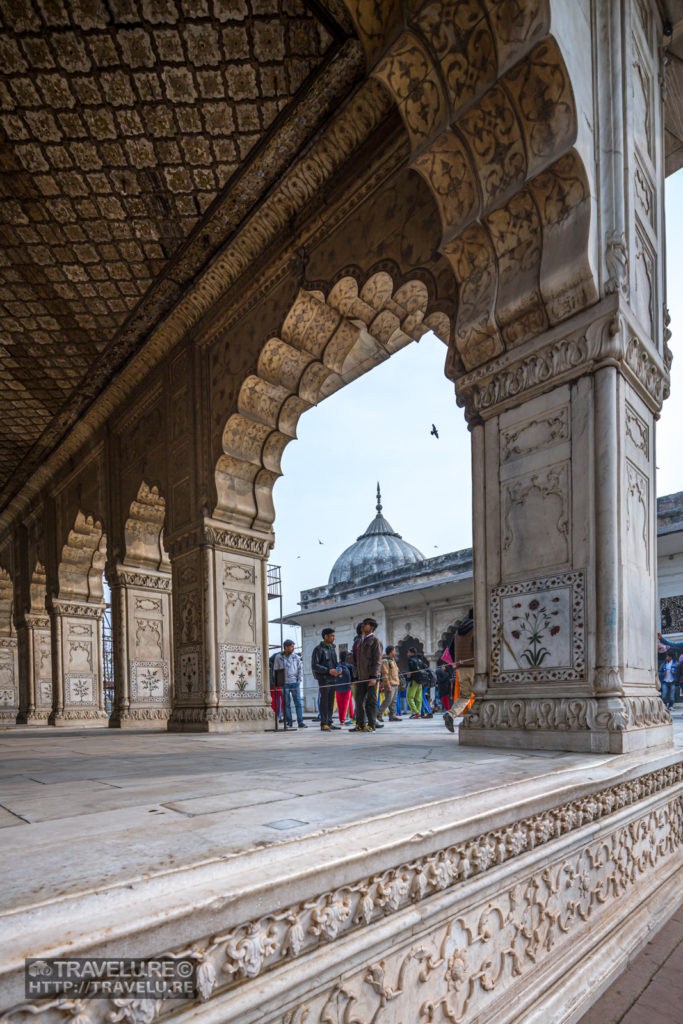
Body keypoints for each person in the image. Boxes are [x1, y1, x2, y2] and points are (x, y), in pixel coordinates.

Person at [444, 609, 474, 733]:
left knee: (465, 695)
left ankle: (450, 714)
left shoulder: (458, 631)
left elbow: (450, 650)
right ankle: (477, 719)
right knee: (484, 693)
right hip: (475, 666)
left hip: (461, 668)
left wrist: (456, 662)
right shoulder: (478, 627)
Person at [351, 617, 383, 732]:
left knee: (371, 702)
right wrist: (355, 677)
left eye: (366, 624)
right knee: (359, 702)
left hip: (370, 677)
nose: (363, 626)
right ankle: (360, 724)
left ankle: (371, 725)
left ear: (372, 627)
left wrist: (374, 677)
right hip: (360, 677)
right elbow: (356, 661)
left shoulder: (375, 641)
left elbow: (377, 660)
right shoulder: (360, 642)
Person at [311, 628, 342, 732]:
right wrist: (328, 671)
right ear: (325, 636)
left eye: (334, 635)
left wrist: (338, 669)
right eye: (331, 636)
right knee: (324, 701)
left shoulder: (333, 648)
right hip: (324, 679)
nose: (334, 637)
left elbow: (335, 662)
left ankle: (329, 721)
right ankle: (324, 723)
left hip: (333, 678)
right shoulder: (318, 649)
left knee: (331, 701)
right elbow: (315, 665)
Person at [272, 640, 306, 729]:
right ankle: (289, 722)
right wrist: (278, 683)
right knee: (286, 703)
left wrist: (299, 681)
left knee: (298, 703)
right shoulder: (279, 657)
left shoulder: (296, 657)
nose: (293, 648)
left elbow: (299, 669)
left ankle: (300, 722)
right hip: (284, 684)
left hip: (294, 683)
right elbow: (276, 670)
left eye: (293, 646)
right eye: (291, 646)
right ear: (286, 647)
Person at [380, 645, 401, 721]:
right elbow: (385, 674)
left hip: (395, 682)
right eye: (394, 651)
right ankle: (379, 714)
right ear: (391, 651)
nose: (395, 652)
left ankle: (392, 715)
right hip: (390, 683)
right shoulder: (385, 661)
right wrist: (387, 684)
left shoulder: (393, 660)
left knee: (394, 701)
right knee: (388, 700)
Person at [335, 652, 354, 726]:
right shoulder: (349, 666)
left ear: (339, 657)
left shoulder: (337, 666)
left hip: (338, 687)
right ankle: (350, 716)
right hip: (347, 687)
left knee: (340, 703)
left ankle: (341, 719)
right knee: (347, 702)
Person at [406, 647, 424, 718]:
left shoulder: (411, 660)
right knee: (418, 698)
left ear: (412, 653)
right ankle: (417, 712)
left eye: (408, 652)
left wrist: (409, 675)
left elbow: (411, 672)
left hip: (414, 681)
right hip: (420, 681)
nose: (407, 654)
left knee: (409, 697)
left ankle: (416, 712)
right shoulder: (419, 660)